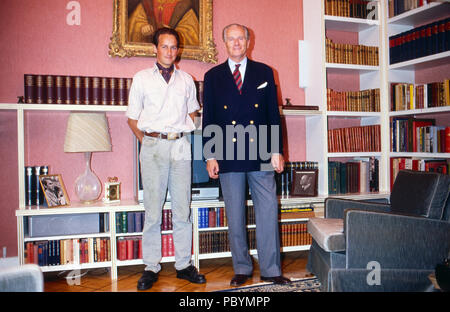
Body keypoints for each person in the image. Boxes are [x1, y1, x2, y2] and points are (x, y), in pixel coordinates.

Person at [202, 23, 290, 286]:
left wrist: (277, 151)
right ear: (224, 43)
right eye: (231, 39)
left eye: (241, 38)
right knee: (235, 213)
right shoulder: (212, 76)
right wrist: (210, 155)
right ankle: (241, 267)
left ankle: (272, 269)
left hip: (261, 148)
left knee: (267, 211)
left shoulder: (264, 71)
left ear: (249, 41)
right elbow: (210, 118)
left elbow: (273, 115)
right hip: (228, 149)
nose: (237, 43)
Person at [126, 27, 205, 291]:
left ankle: (183, 265)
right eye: (164, 46)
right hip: (152, 146)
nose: (169, 51)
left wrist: (176, 136)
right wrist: (150, 142)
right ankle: (151, 267)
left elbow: (193, 114)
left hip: (180, 147)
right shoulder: (141, 79)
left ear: (178, 50)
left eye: (174, 47)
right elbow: (132, 119)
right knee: (153, 212)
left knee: (182, 209)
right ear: (155, 49)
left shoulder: (187, 80)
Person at [128, 0, 199, 46]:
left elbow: (191, 34)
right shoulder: (147, 3)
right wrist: (142, 27)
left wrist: (173, 33)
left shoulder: (183, 5)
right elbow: (135, 23)